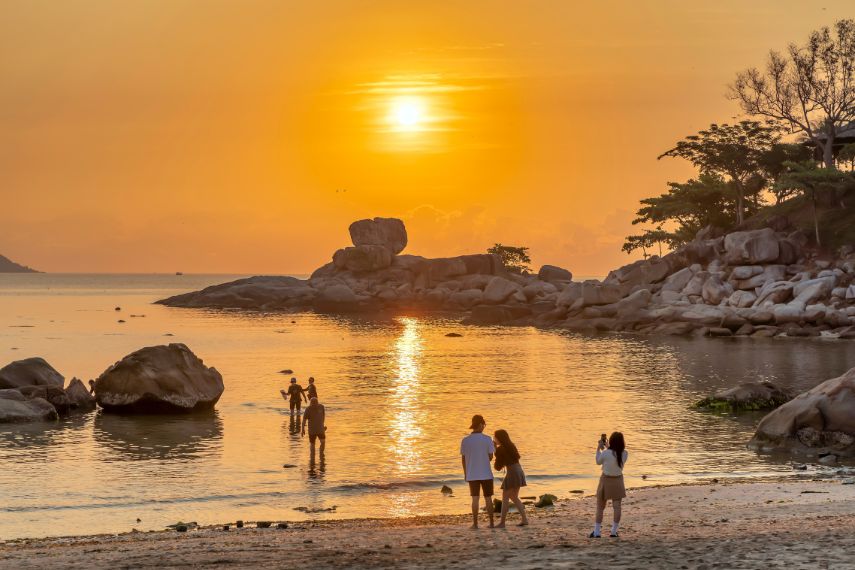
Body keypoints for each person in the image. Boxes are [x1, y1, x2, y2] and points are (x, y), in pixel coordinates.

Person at [590, 431, 628, 538]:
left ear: (610, 441)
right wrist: (607, 447)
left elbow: (598, 461)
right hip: (618, 481)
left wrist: (598, 448)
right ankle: (613, 531)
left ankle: (597, 532)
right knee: (617, 507)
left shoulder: (606, 453)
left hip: (605, 481)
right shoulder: (624, 454)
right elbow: (614, 455)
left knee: (600, 507)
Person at [460, 414, 495, 529]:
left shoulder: (465, 441)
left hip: (472, 474)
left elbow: (463, 459)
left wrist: (466, 474)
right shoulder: (487, 439)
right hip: (486, 473)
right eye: (484, 425)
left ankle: (475, 524)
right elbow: (491, 457)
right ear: (480, 425)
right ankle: (491, 523)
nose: (484, 427)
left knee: (475, 498)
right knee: (488, 498)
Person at [493, 429, 529, 528]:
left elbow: (497, 467)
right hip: (518, 470)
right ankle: (524, 519)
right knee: (513, 497)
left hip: (512, 472)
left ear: (499, 438)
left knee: (505, 497)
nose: (494, 439)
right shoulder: (511, 445)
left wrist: (495, 450)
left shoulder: (500, 449)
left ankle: (502, 523)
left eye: (495, 437)